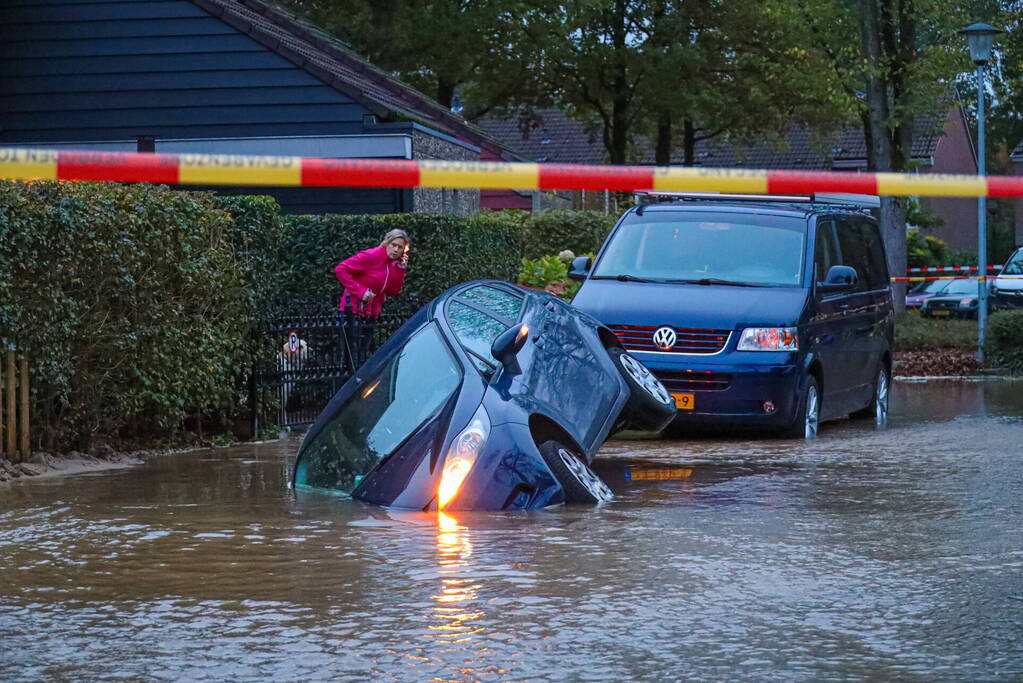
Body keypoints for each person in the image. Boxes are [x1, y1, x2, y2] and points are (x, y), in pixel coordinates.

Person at [334, 229, 410, 364]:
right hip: (353, 310)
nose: (396, 250)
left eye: (400, 248)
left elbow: (393, 291)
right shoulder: (371, 256)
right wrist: (361, 291)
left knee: (363, 356)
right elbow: (341, 269)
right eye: (394, 245)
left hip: (371, 313)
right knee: (351, 358)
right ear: (387, 242)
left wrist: (400, 270)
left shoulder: (393, 264)